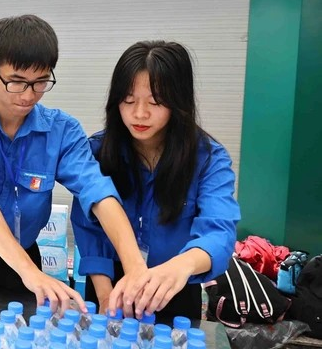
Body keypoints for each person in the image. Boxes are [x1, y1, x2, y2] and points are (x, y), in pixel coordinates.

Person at [0, 14, 147, 312]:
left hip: (26, 260)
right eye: (16, 82)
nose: (28, 95)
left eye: (40, 82)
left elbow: (97, 191)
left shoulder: (62, 131)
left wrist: (135, 265)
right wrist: (30, 272)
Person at [71, 41, 240, 321]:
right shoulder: (98, 152)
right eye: (128, 100)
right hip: (109, 283)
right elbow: (88, 226)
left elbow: (219, 231)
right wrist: (104, 294)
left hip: (173, 287)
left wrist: (181, 266)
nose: (140, 113)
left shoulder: (208, 159)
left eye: (155, 102)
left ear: (179, 102)